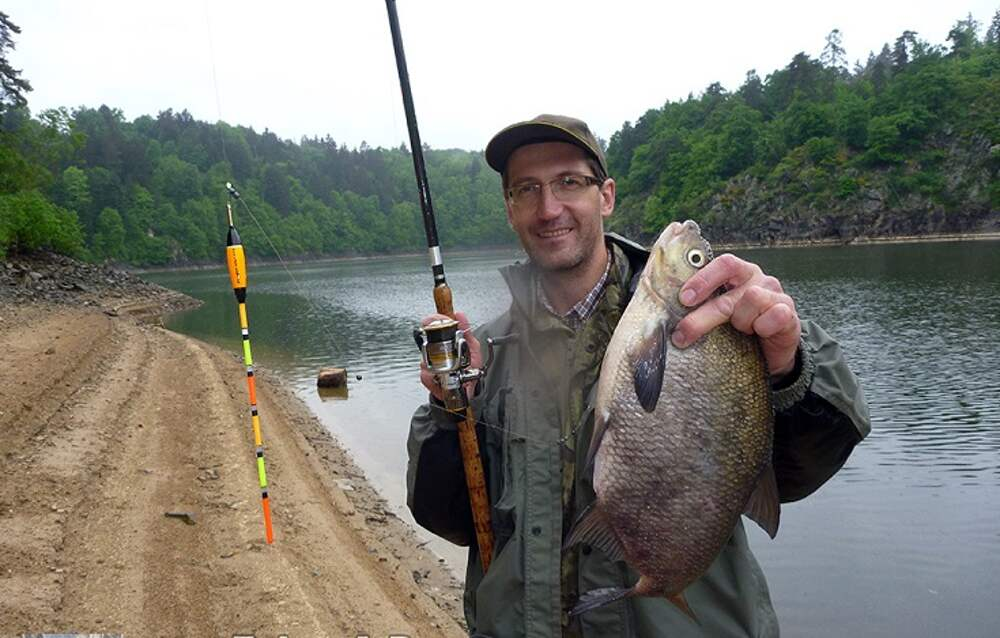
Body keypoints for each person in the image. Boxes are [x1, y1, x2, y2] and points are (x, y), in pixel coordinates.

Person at [406, 114, 870, 637]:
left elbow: (803, 468)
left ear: (605, 196)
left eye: (568, 183)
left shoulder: (716, 324)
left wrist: (788, 364)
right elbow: (447, 518)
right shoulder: (484, 354)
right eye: (526, 190)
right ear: (509, 209)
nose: (548, 207)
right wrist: (451, 413)